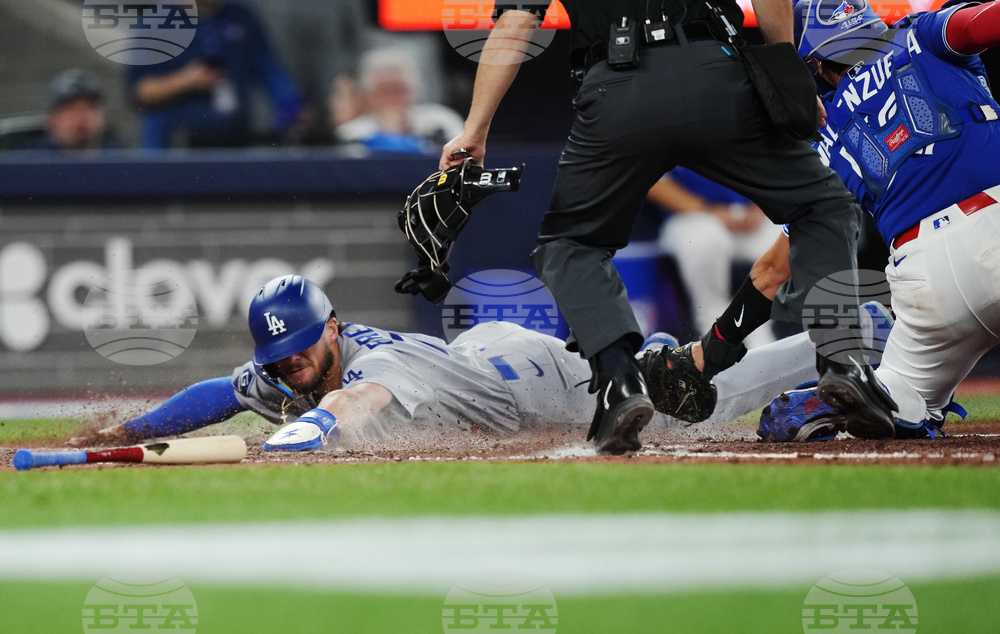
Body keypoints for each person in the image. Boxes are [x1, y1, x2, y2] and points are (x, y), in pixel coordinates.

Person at [438, 1, 875, 454]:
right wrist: (788, 71)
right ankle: (845, 362)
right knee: (824, 207)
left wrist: (475, 129)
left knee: (570, 244)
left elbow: (516, 23)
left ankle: (619, 380)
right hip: (720, 75)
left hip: (616, 85)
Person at [104, 274, 835, 453]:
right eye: (278, 356)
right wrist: (130, 430)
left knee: (697, 410)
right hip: (476, 357)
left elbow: (358, 402)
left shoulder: (370, 362)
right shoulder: (289, 361)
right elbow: (218, 391)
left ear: (331, 326)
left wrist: (309, 432)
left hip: (535, 387)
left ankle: (849, 336)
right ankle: (648, 361)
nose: (289, 364)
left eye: (300, 347)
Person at [748, 0, 1000, 440]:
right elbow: (983, 23)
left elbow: (773, 272)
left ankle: (877, 396)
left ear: (817, 62)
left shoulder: (823, 131)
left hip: (926, 280)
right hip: (994, 214)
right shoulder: (921, 34)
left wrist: (713, 346)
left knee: (903, 404)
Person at [127, 0, 304, 148]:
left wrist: (292, 104)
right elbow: (141, 92)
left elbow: (269, 70)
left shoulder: (240, 16)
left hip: (233, 137)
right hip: (176, 143)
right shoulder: (159, 21)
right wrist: (186, 80)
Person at [649, 168, 781, 346]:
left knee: (789, 235)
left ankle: (761, 325)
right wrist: (707, 210)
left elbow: (774, 166)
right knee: (702, 241)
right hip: (693, 216)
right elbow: (654, 182)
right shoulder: (661, 139)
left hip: (749, 216)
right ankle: (712, 335)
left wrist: (760, 207)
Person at [334, 47, 465, 153]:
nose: (394, 99)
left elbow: (460, 162)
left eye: (400, 90)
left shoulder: (441, 122)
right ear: (369, 97)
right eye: (385, 91)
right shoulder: (353, 133)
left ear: (415, 92)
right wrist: (391, 133)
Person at [23, 70, 117, 152]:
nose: (82, 116)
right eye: (72, 109)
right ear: (53, 118)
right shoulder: (26, 163)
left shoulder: (120, 163)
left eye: (90, 108)